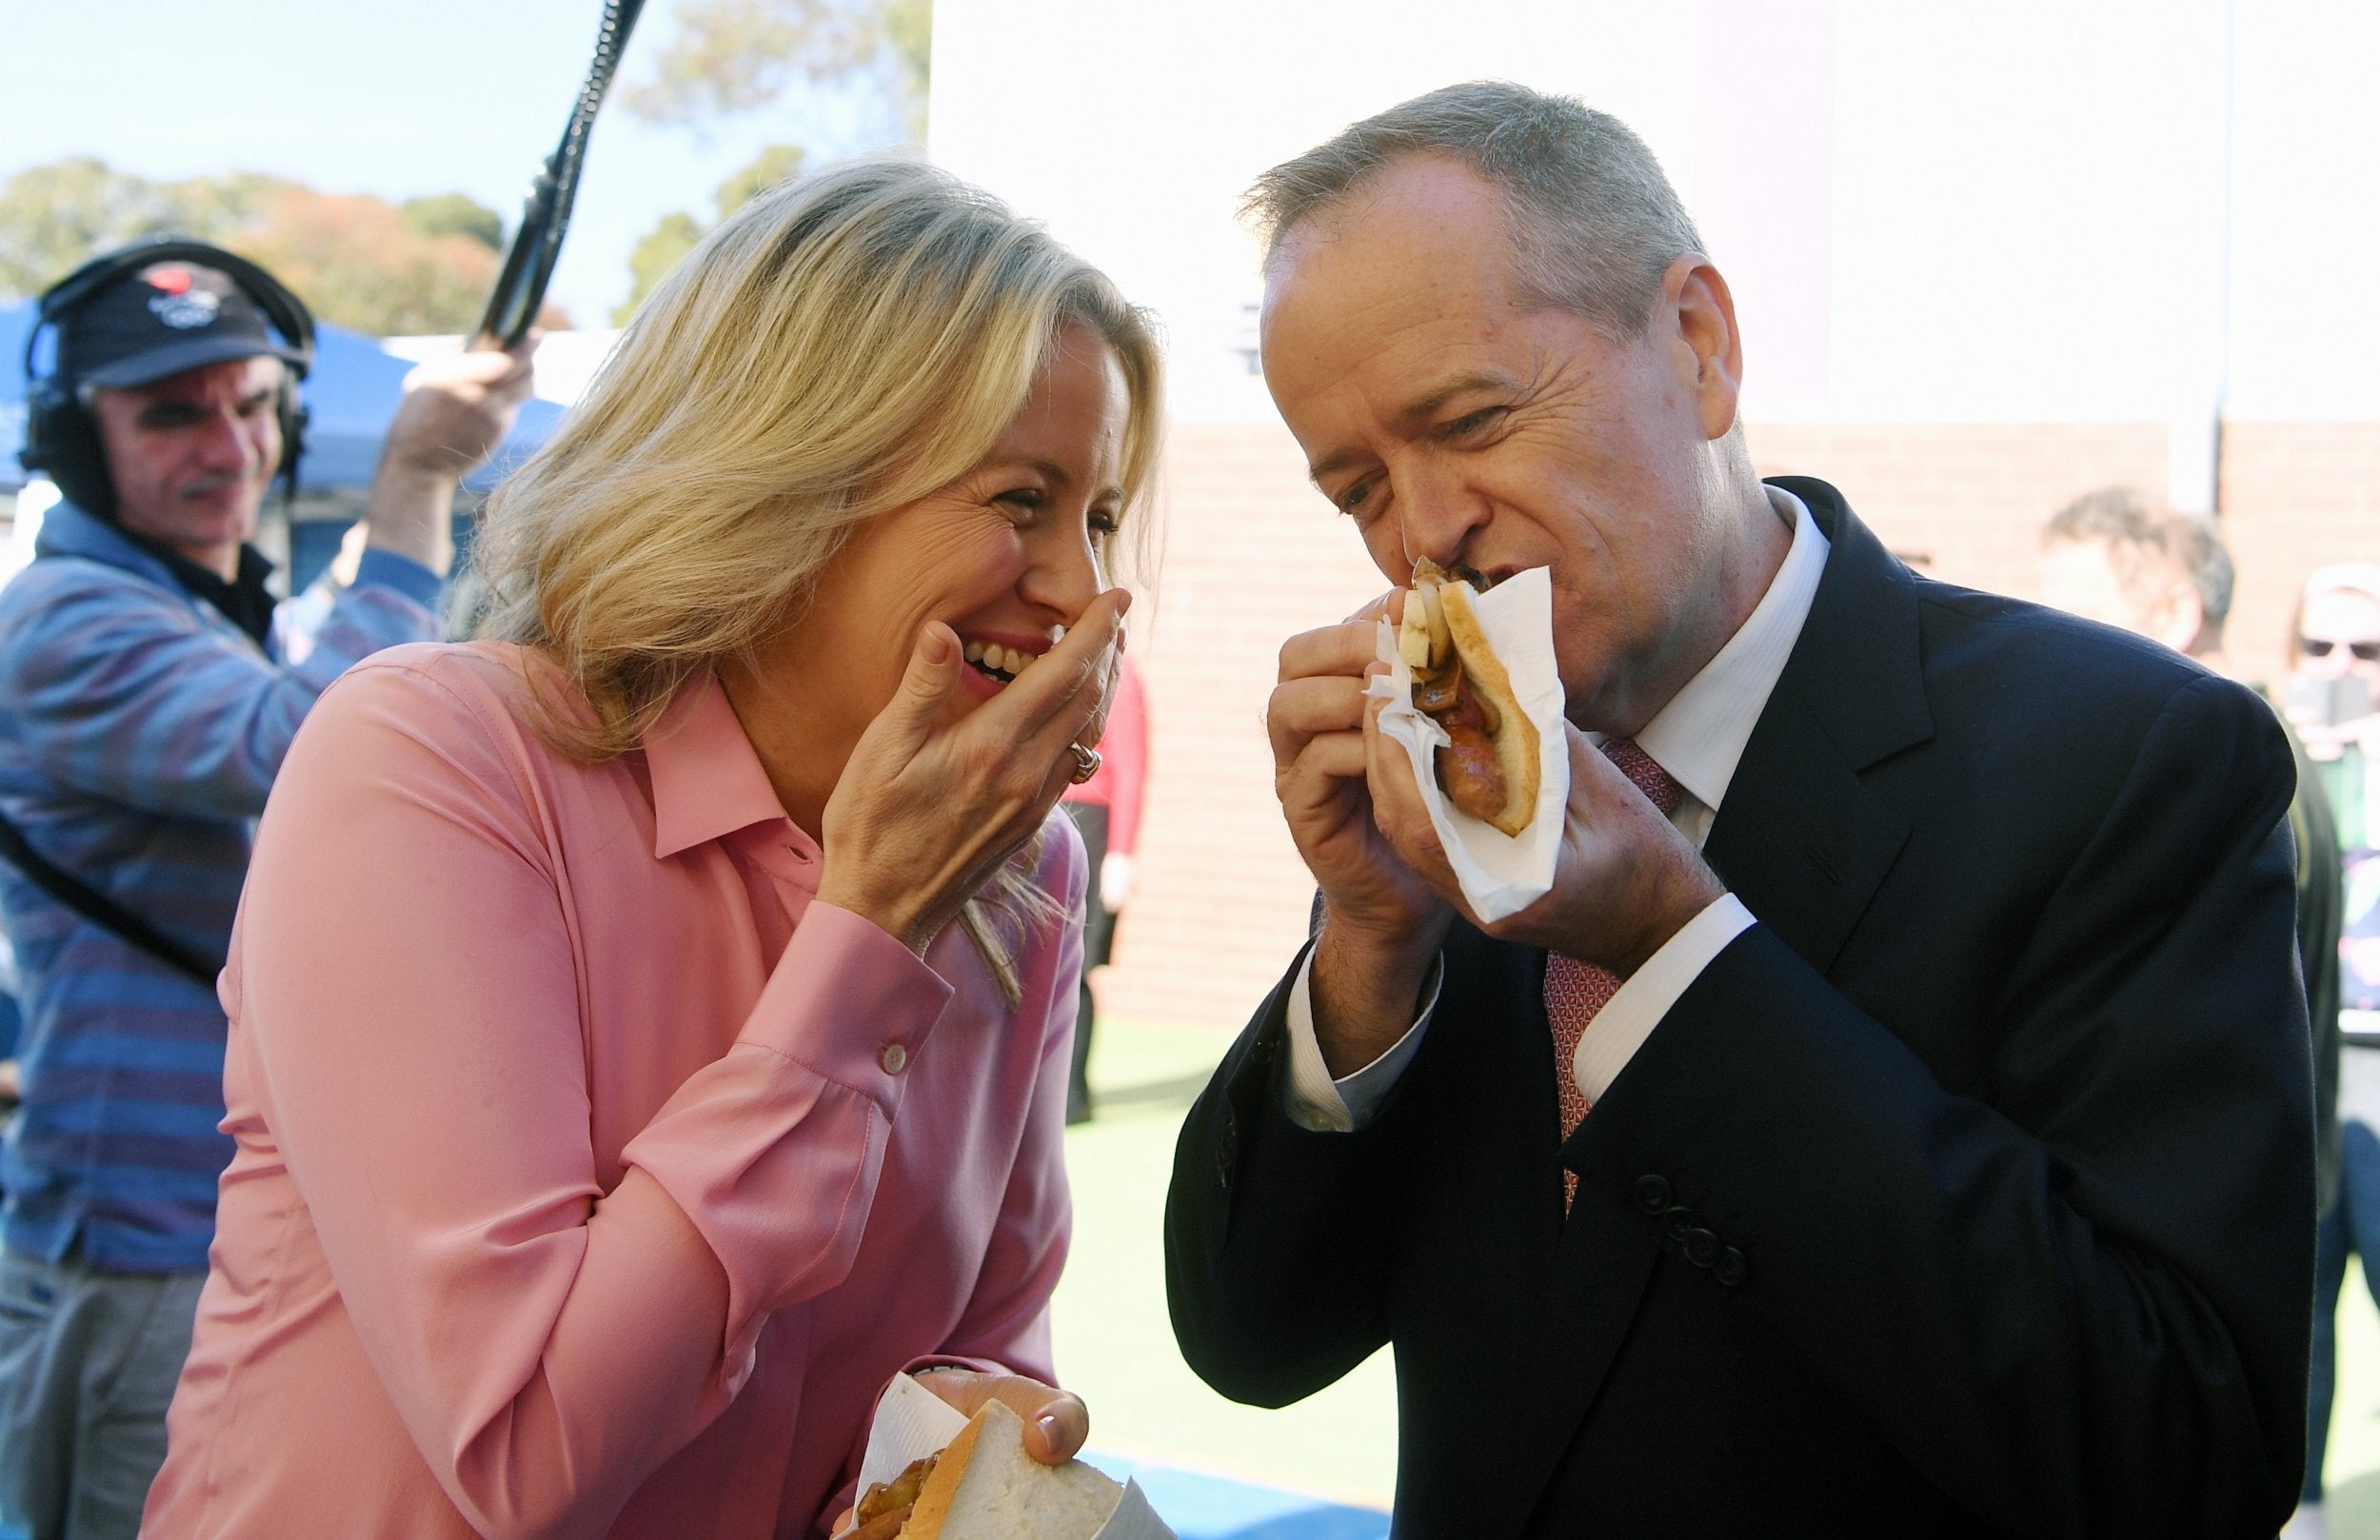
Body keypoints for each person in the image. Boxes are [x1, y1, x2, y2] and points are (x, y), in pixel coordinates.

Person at [1164, 82, 2311, 1536]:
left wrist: (1677, 949)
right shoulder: (1452, 788)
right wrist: (1366, 947)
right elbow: (1250, 1338)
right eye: (1356, 489)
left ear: (1700, 347)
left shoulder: (2130, 758)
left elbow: (2187, 1454)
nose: (1423, 531)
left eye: (1471, 419)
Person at [140, 156, 1160, 1539]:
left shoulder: (1024, 879)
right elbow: (527, 1453)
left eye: (1098, 516)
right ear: (794, 474)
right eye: (1019, 500)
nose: (1079, 592)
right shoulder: (437, 758)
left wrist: (990, 1439)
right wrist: (863, 941)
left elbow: (975, 1363)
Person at [0, 241, 533, 1540]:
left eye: (250, 405)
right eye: (174, 412)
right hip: (140, 1250)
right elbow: (314, 749)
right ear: (77, 440)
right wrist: (414, 481)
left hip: (209, 1233)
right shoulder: (68, 620)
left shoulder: (197, 612)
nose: (231, 445)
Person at [2037, 489, 2342, 1223]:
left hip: (2230, 1231)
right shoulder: (2261, 759)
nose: (2041, 645)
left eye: (2072, 614)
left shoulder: (2226, 783)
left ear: (2175, 614)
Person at [2286, 562, 2380, 1535]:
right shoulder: (2263, 743)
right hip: (2304, 1055)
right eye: (2320, 647)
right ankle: (2304, 1512)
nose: (2341, 666)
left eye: (2366, 650)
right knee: (2302, 1308)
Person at [1059, 654, 1148, 1121]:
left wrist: (1122, 855)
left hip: (1091, 825)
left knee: (1079, 968)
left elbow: (1132, 765)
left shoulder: (1119, 669)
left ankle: (1071, 1098)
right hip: (1043, 821)